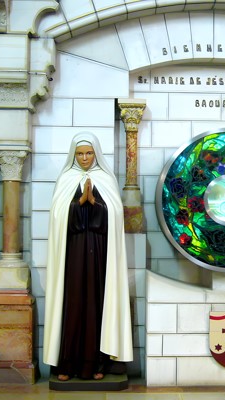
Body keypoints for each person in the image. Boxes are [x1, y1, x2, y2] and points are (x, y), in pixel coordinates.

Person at [43, 132, 133, 381]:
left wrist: (94, 202)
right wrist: (78, 202)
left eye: (89, 153)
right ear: (74, 155)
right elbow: (58, 217)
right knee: (72, 303)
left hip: (98, 254)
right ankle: (67, 364)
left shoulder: (105, 179)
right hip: (72, 253)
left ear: (96, 154)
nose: (84, 158)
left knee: (96, 303)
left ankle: (97, 364)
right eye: (80, 154)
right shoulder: (66, 179)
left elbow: (114, 216)